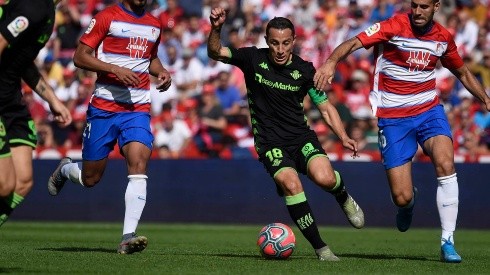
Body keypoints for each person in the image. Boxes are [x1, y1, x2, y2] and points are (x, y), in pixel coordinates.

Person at [313, 0, 490, 263]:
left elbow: (462, 72)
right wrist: (330, 63)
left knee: (445, 162)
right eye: (414, 5)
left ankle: (447, 242)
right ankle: (408, 204)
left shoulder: (442, 38)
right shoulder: (393, 26)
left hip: (429, 110)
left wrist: (485, 99)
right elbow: (353, 42)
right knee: (402, 196)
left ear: (436, 6)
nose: (418, 11)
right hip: (393, 119)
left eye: (424, 7)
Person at [208, 8, 365, 261]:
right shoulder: (251, 59)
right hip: (270, 143)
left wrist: (343, 136)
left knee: (325, 179)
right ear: (267, 42)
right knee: (292, 185)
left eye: (285, 43)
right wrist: (216, 28)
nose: (280, 50)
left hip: (301, 138)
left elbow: (324, 107)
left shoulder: (305, 71)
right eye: (274, 43)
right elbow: (215, 52)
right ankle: (321, 249)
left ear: (293, 42)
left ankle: (342, 195)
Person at [47, 0, 172, 254]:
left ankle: (127, 237)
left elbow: (151, 58)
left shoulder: (154, 24)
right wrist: (114, 68)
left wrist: (162, 72)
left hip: (137, 109)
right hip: (104, 110)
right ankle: (67, 169)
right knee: (91, 177)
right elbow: (80, 56)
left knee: (139, 162)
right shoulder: (107, 17)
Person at [0, 0, 72, 227]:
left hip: (11, 101)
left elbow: (22, 64)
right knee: (4, 184)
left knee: (22, 182)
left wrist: (53, 100)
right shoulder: (34, 5)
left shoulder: (47, 10)